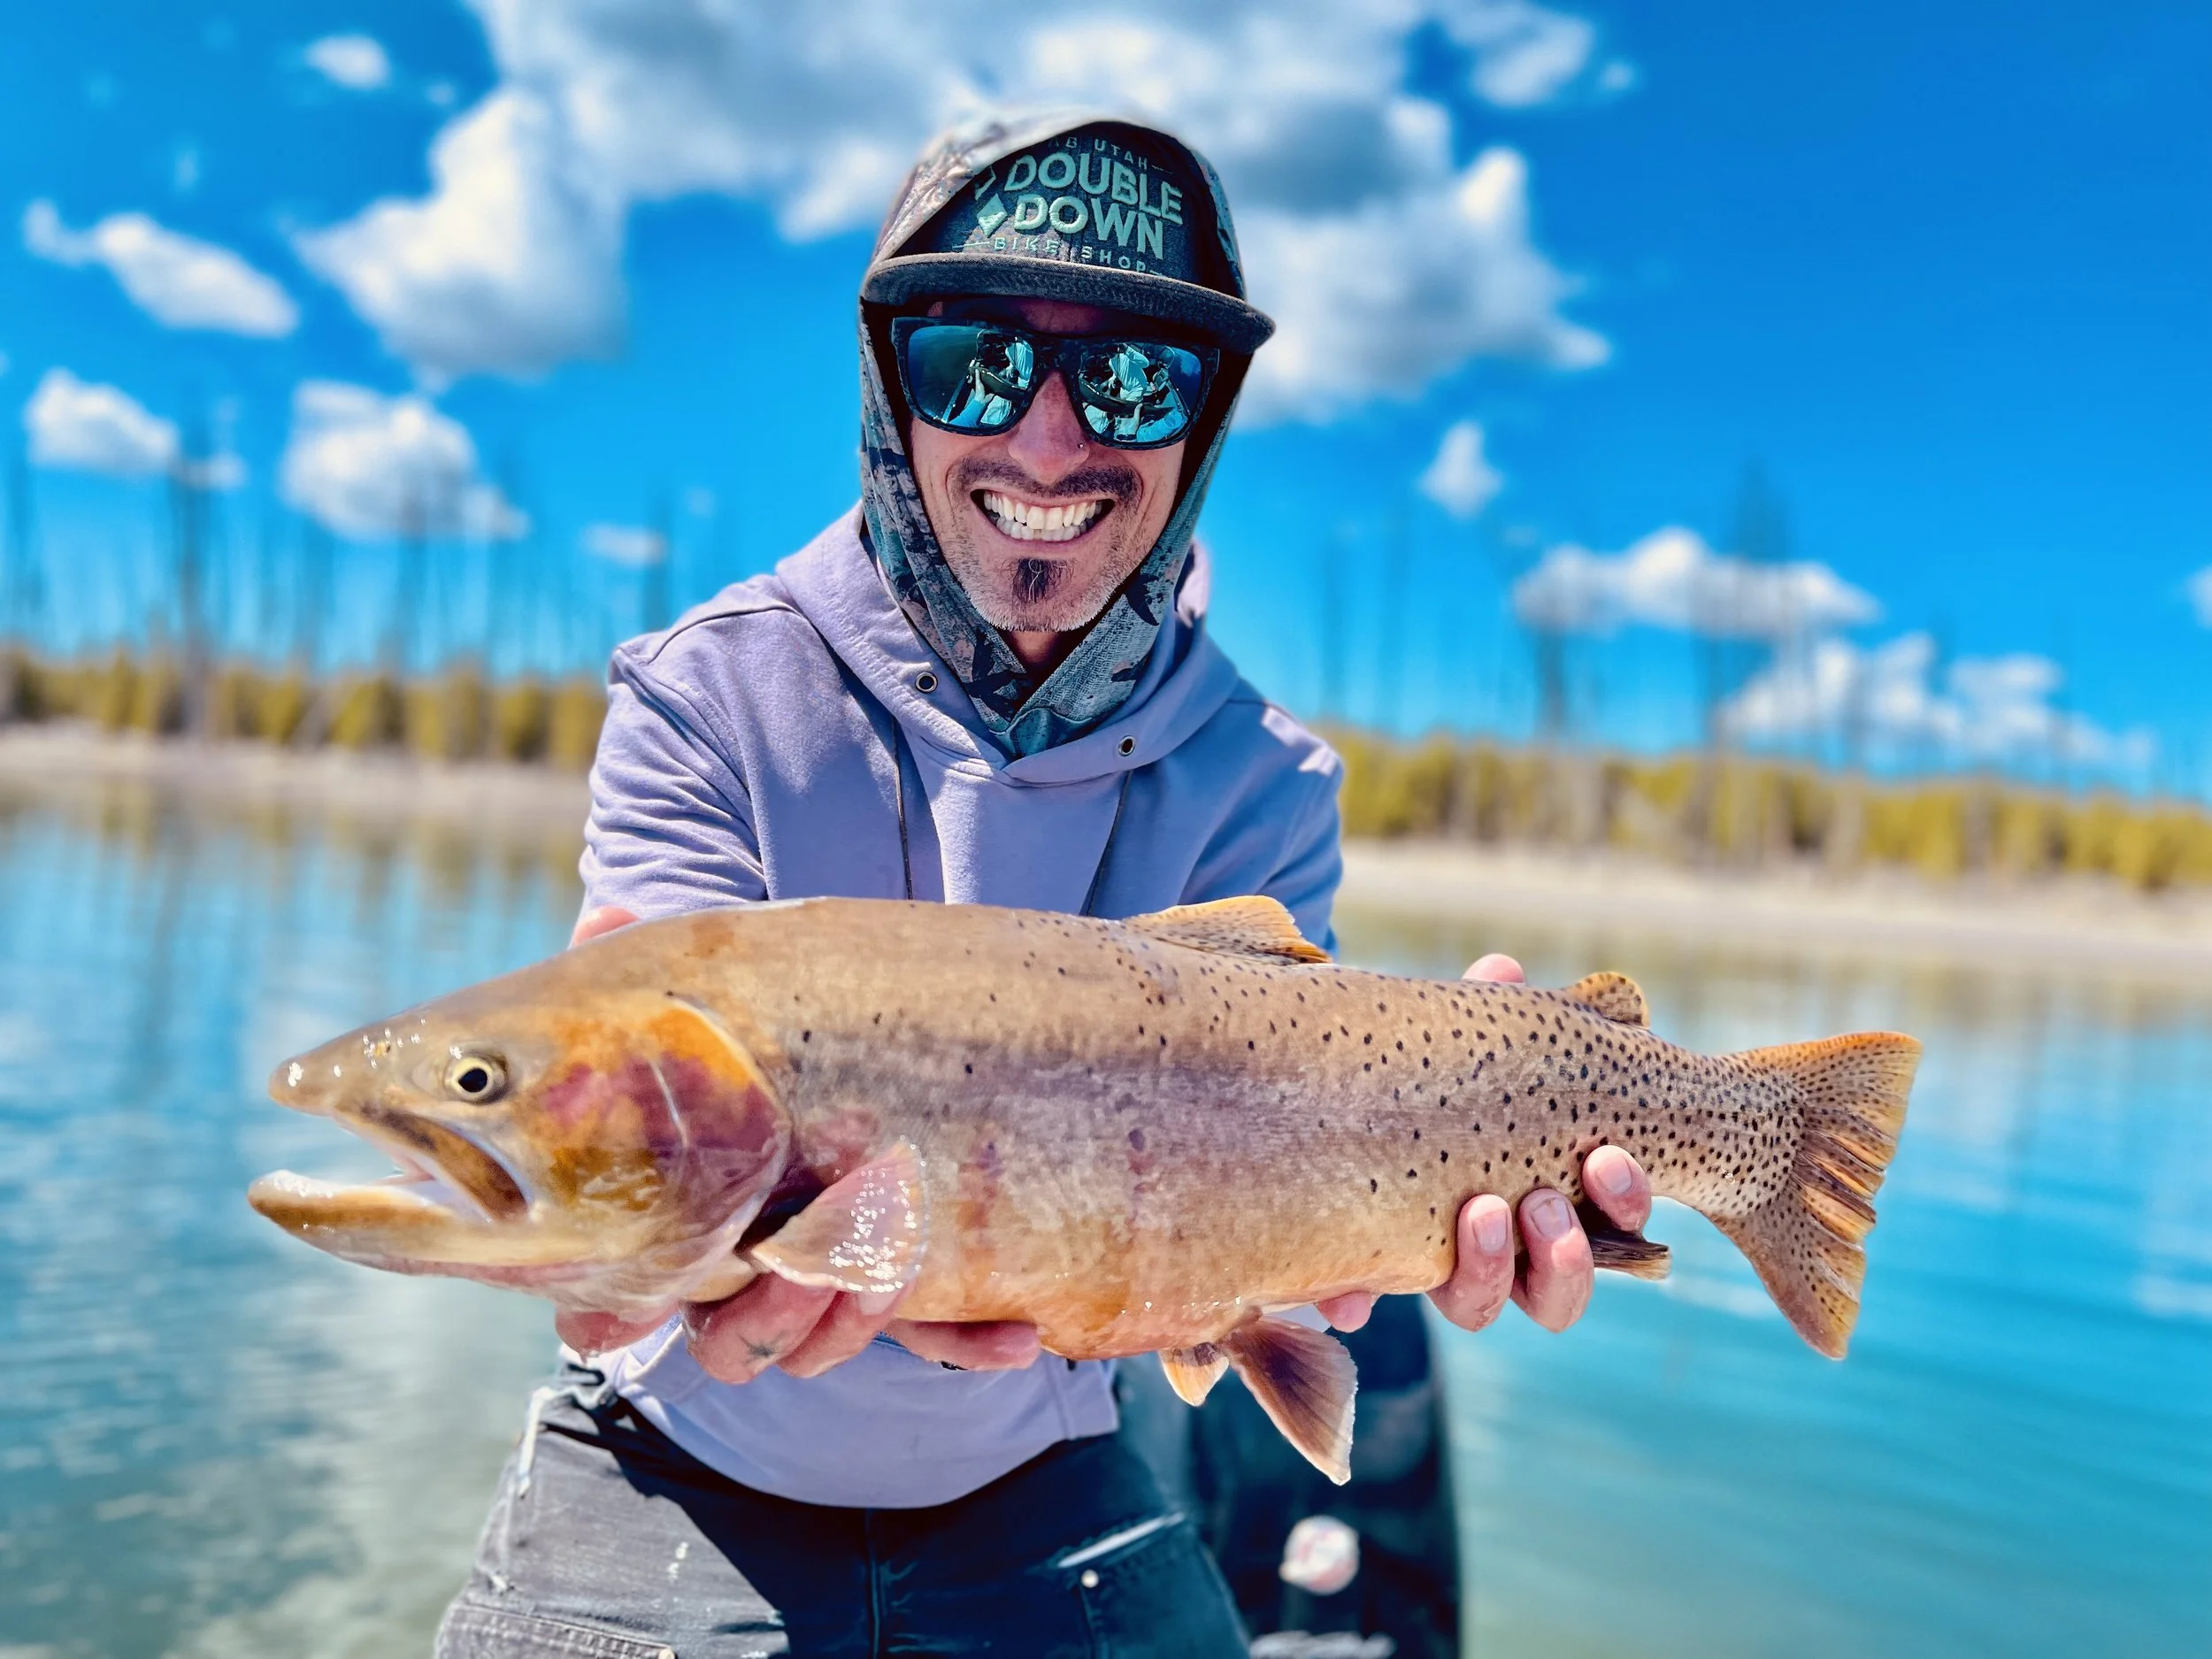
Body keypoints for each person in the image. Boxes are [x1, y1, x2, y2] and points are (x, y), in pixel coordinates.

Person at [434, 113, 1652, 1658]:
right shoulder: (702, 698)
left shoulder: (1268, 784)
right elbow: (628, 1156)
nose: (1054, 439)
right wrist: (608, 1288)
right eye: (976, 363)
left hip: (1041, 1465)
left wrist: (1466, 1135)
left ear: (1199, 428)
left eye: (1136, 376)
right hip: (677, 1459)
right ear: (892, 380)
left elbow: (1277, 1216)